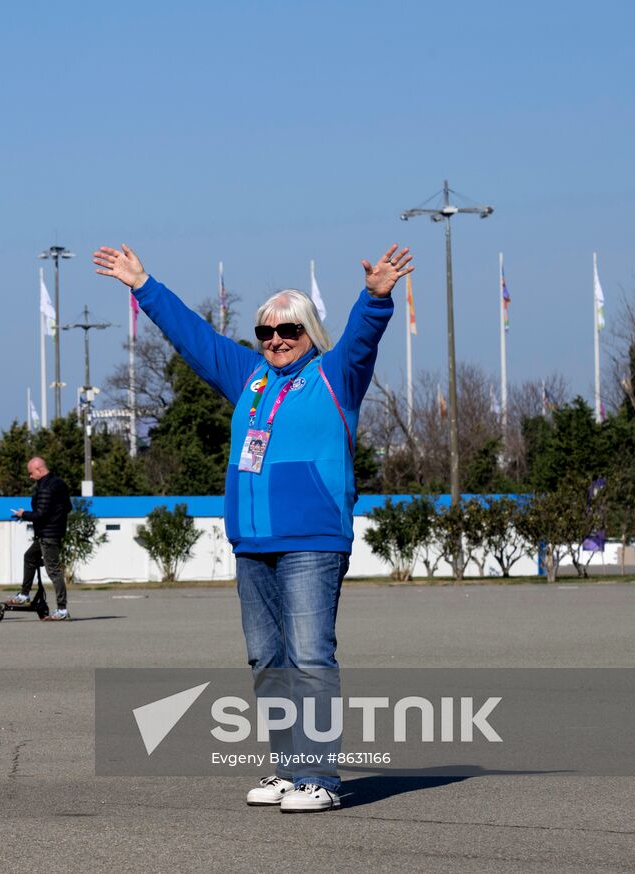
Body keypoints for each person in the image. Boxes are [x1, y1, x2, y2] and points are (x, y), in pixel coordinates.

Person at [94, 242, 412, 812]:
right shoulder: (251, 379)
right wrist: (144, 286)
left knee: (311, 656)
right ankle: (289, 771)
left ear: (310, 330)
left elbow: (363, 340)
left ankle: (321, 777)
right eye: (265, 332)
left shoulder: (336, 376)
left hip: (312, 541)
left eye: (287, 329)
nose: (276, 341)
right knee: (267, 660)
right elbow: (196, 339)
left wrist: (375, 298)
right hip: (252, 543)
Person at [10, 456, 72, 620]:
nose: (30, 476)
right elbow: (68, 507)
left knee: (53, 570)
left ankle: (62, 609)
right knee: (29, 556)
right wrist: (56, 519)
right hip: (50, 532)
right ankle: (24, 595)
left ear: (39, 469)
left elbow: (41, 514)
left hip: (48, 534)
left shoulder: (46, 487)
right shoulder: (60, 483)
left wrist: (23, 514)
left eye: (31, 473)